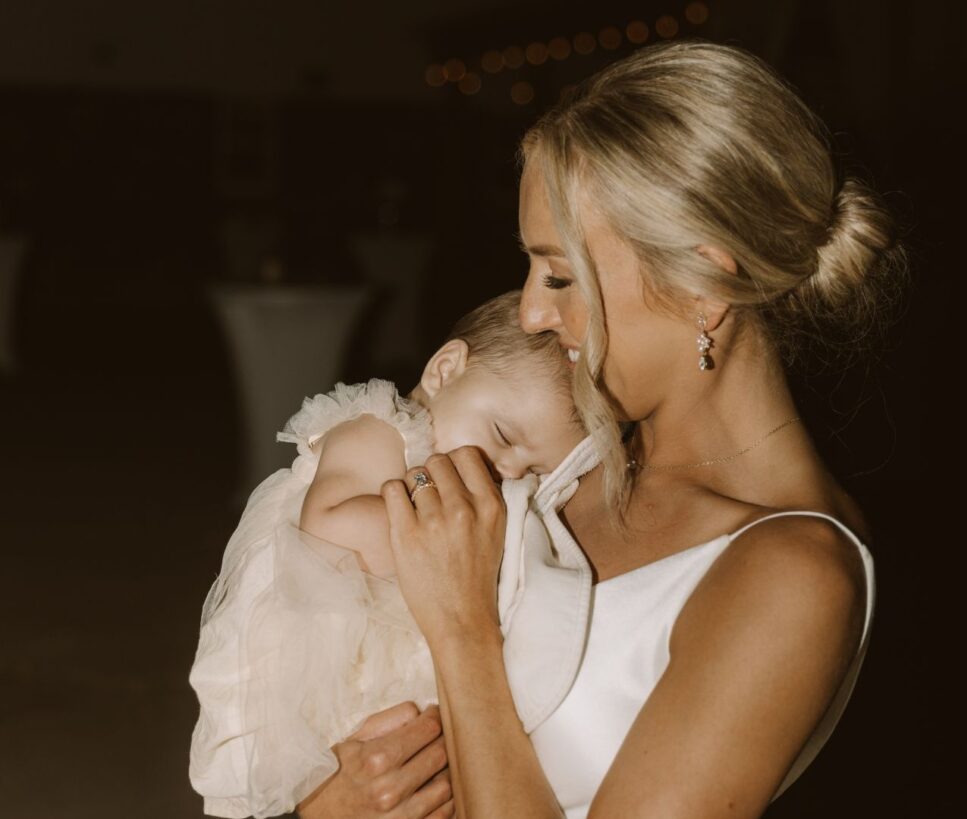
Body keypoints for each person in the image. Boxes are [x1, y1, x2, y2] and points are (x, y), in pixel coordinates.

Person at [299, 40, 905, 819]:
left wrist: (463, 630)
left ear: (702, 287)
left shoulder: (793, 573)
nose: (528, 314)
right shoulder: (569, 453)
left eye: (560, 275)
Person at [188, 291, 585, 818]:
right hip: (327, 655)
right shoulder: (379, 431)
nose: (510, 472)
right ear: (445, 371)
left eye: (535, 469)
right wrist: (444, 538)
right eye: (503, 436)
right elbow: (328, 524)